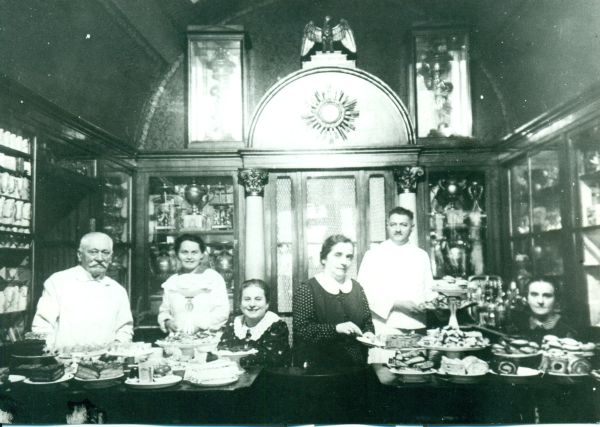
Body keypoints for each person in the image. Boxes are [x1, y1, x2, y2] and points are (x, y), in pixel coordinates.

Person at [32, 232, 133, 349]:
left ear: (111, 257)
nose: (100, 258)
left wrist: (118, 345)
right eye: (93, 252)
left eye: (105, 253)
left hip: (105, 359)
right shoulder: (58, 282)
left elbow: (124, 328)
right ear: (80, 255)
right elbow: (42, 326)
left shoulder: (117, 290)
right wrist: (50, 353)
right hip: (64, 358)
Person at [293, 234, 375, 368]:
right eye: (338, 255)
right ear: (323, 258)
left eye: (349, 257)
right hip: (320, 368)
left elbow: (367, 322)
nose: (344, 262)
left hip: (357, 366)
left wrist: (368, 333)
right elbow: (302, 330)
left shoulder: (357, 288)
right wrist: (336, 328)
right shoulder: (308, 289)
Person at [357, 207, 436, 334]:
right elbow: (362, 292)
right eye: (393, 224)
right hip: (385, 325)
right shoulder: (373, 255)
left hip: (417, 324)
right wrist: (395, 303)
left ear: (412, 227)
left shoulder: (422, 255)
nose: (398, 229)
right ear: (387, 226)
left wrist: (434, 303)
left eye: (404, 225)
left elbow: (429, 290)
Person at [158, 234, 229, 334]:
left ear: (202, 255)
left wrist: (200, 326)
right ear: (177, 254)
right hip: (178, 338)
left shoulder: (213, 278)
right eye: (184, 252)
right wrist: (167, 321)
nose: (189, 257)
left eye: (194, 252)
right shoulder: (171, 282)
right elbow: (164, 311)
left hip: (208, 337)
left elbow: (222, 312)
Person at [218, 279, 291, 368]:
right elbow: (221, 349)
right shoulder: (234, 323)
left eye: (258, 299)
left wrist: (235, 360)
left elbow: (269, 360)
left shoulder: (276, 326)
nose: (252, 304)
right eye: (247, 299)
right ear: (240, 303)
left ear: (267, 304)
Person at [510, 279, 577, 341]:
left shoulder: (567, 330)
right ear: (527, 298)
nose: (540, 301)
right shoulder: (518, 325)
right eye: (534, 295)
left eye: (547, 295)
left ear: (556, 299)